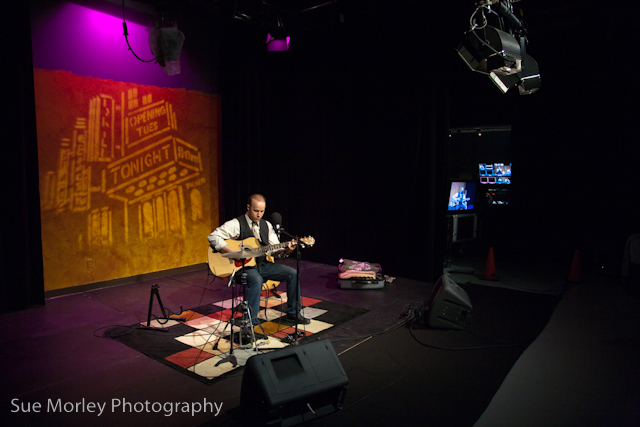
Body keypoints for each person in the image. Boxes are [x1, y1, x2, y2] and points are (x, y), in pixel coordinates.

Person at [207, 194, 310, 325]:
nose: (259, 215)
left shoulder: (266, 225)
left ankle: (293, 313)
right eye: (256, 211)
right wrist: (232, 251)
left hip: (262, 265)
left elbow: (274, 250)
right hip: (243, 267)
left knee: (292, 274)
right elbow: (213, 237)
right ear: (248, 207)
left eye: (262, 211)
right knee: (256, 280)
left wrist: (287, 250)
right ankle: (250, 322)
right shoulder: (236, 224)